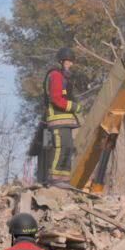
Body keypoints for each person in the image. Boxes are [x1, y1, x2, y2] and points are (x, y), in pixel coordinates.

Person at [39, 47, 79, 189]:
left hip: (65, 121)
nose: (70, 65)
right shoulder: (55, 75)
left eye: (71, 63)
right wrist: (73, 107)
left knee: (68, 148)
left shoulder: (64, 78)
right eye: (68, 62)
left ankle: (64, 179)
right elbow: (56, 99)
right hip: (57, 120)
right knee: (60, 147)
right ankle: (55, 179)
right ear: (61, 61)